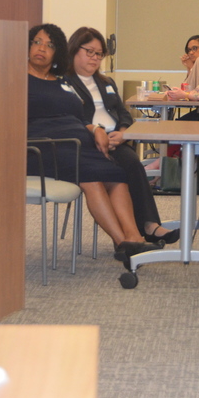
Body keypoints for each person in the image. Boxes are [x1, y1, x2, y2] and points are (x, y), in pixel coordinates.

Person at [26, 24, 162, 266]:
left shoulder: (60, 82)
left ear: (57, 52)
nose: (42, 49)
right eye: (37, 42)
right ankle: (123, 242)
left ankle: (134, 237)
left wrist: (95, 129)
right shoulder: (17, 78)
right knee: (91, 177)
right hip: (43, 146)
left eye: (50, 45)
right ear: (27, 45)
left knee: (116, 174)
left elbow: (78, 117)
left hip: (76, 144)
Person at [65, 27, 178, 244]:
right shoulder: (64, 83)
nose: (95, 58)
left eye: (99, 54)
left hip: (116, 140)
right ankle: (138, 231)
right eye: (90, 52)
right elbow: (69, 119)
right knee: (122, 168)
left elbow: (123, 113)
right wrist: (96, 133)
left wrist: (124, 132)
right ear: (74, 49)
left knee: (132, 162)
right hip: (87, 143)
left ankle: (149, 225)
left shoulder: (106, 82)